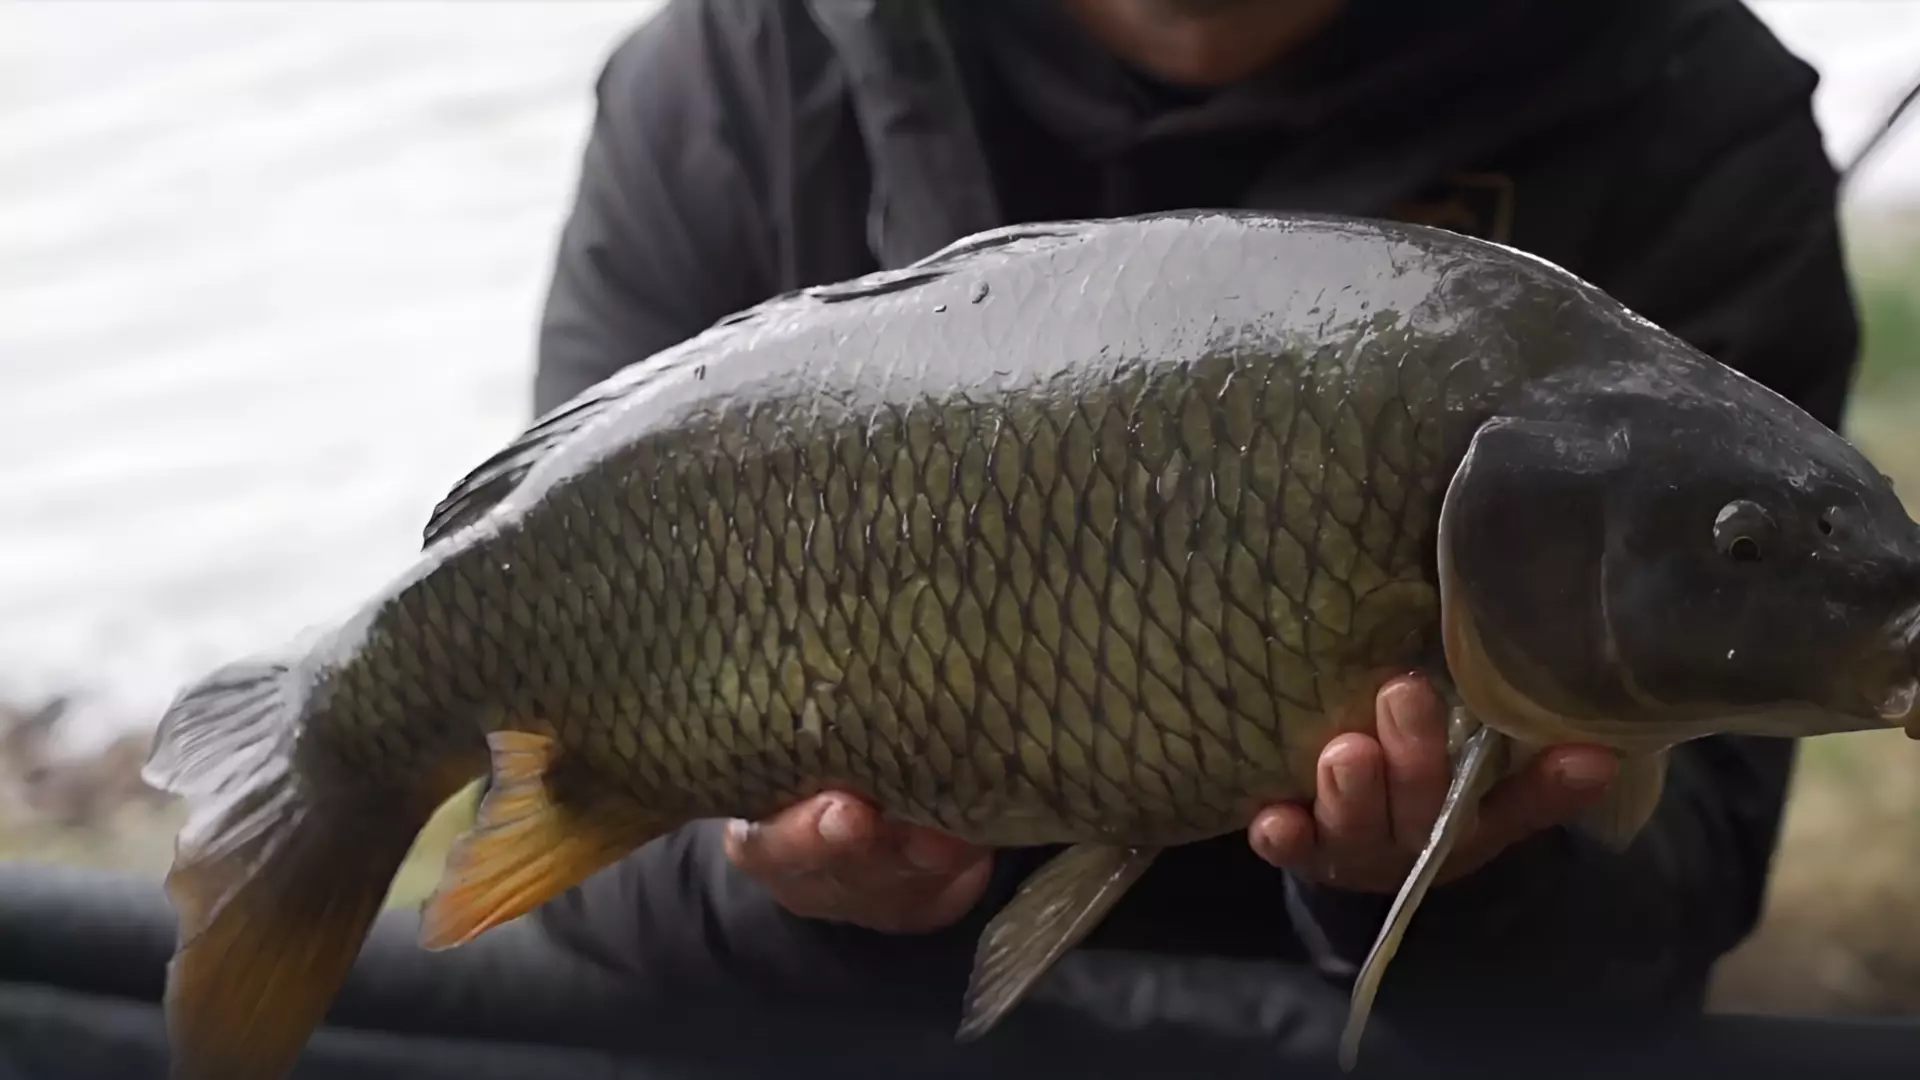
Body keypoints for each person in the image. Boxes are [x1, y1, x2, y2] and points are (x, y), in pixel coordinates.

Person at [0, 1, 1868, 1077]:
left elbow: (1675, 896)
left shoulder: (1683, 109)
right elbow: (590, 886)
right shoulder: (723, 91)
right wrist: (775, 882)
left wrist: (1466, 876)